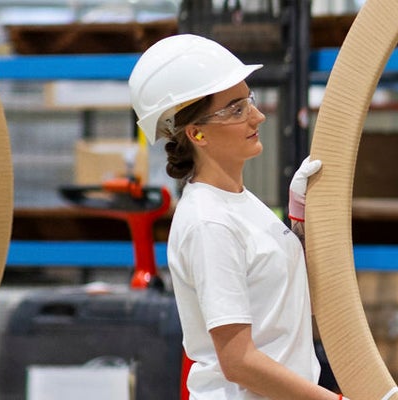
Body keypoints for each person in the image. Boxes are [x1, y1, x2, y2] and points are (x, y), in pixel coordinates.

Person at [131, 34, 334, 400]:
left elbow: (284, 304)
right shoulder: (208, 222)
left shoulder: (240, 203)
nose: (257, 116)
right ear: (196, 133)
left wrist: (299, 222)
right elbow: (238, 361)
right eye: (236, 108)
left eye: (249, 101)